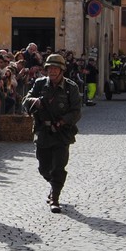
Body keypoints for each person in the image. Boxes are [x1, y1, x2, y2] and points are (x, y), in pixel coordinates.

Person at [22, 53, 82, 213]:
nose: (53, 71)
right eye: (50, 68)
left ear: (62, 70)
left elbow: (77, 111)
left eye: (56, 68)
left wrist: (63, 121)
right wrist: (34, 101)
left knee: (59, 167)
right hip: (43, 131)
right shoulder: (40, 84)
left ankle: (55, 198)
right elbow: (25, 100)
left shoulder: (71, 88)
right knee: (44, 167)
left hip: (62, 133)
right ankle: (54, 185)